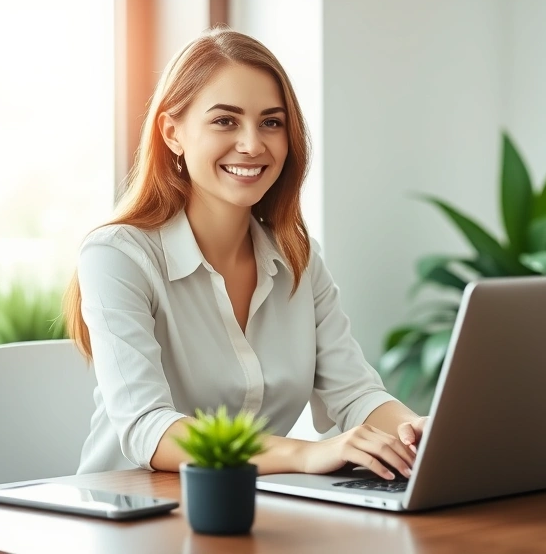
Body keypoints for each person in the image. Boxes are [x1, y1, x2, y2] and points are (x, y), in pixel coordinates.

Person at [63, 27, 426, 482]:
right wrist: (304, 454)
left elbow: (355, 394)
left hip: (250, 516)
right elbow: (148, 428)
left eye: (271, 122)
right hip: (131, 517)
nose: (253, 144)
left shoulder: (298, 257)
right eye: (225, 121)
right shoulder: (117, 256)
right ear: (172, 132)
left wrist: (420, 434)